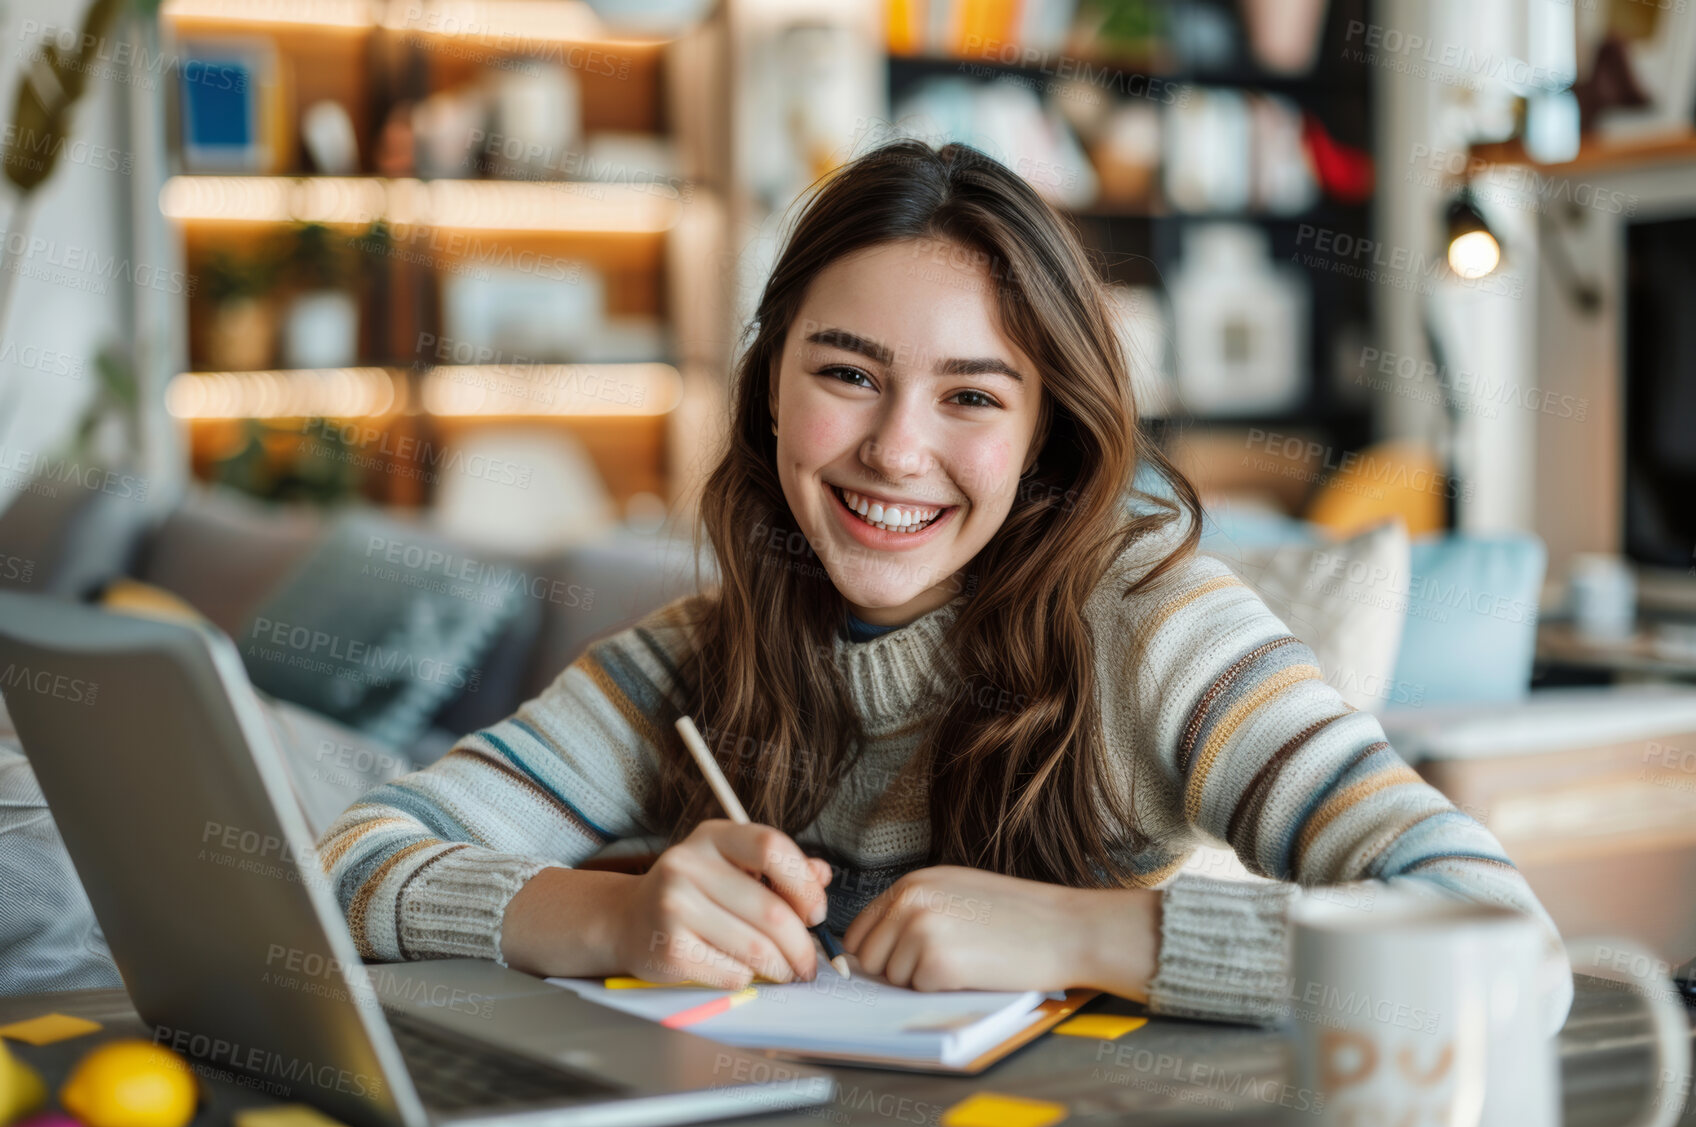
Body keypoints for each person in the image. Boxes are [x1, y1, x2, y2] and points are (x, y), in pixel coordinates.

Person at [319, 140, 1572, 1031]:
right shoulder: (691, 659)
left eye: (970, 394)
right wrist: (615, 920)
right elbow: (343, 864)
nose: (895, 450)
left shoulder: (1157, 634)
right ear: (770, 389)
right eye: (847, 374)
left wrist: (1088, 935)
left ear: (1046, 433)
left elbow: (1496, 940)